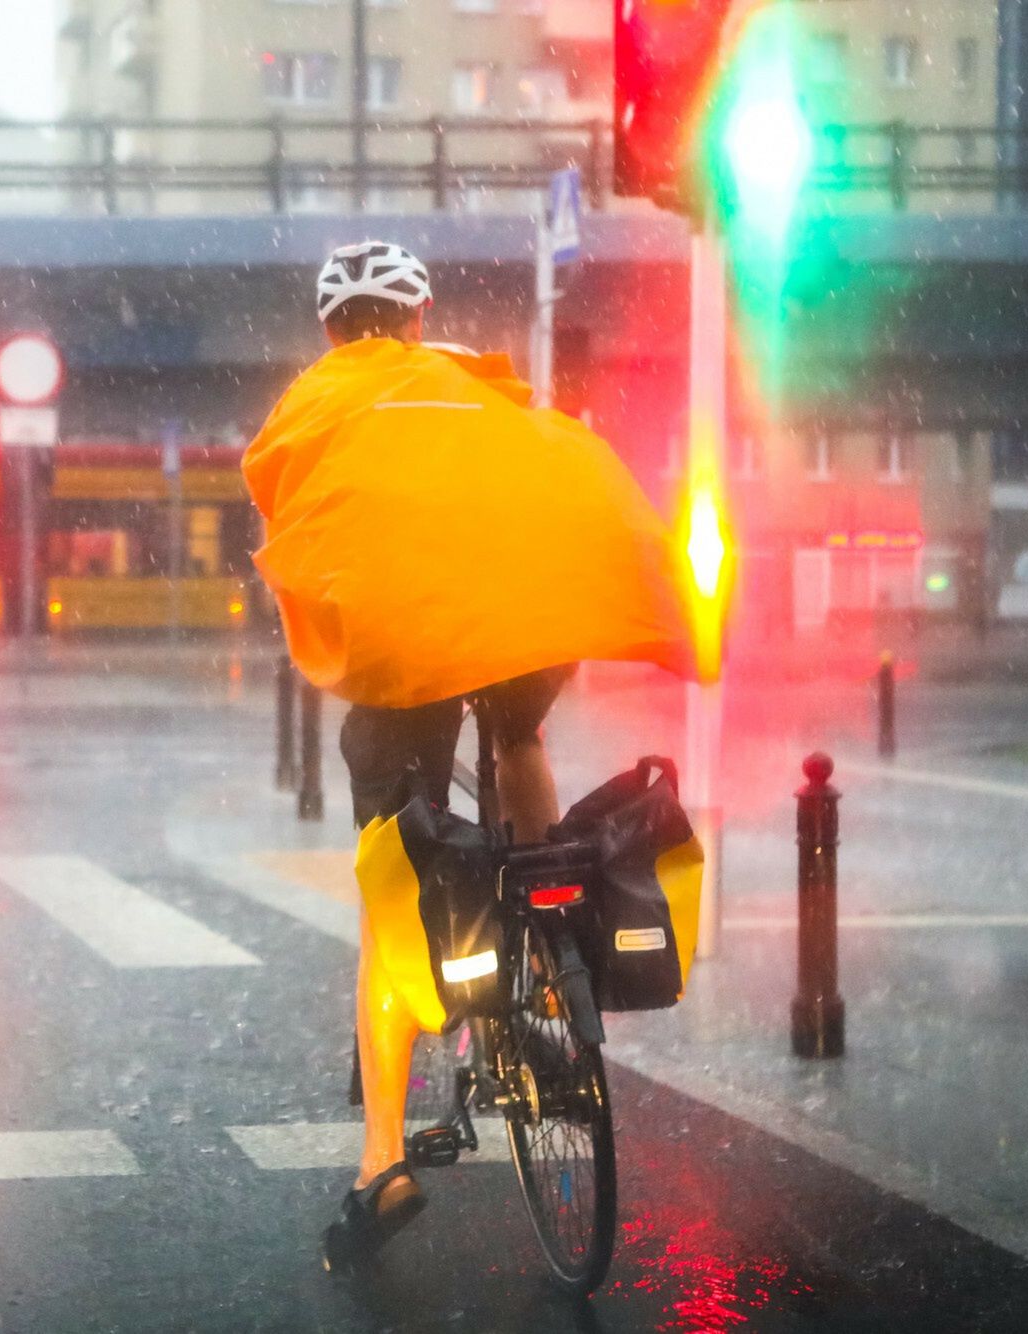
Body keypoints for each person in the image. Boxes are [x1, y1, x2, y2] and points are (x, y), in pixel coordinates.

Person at [241, 240, 691, 1267]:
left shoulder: (318, 400)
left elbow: (285, 507)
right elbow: (549, 463)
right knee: (520, 731)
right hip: (521, 610)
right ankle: (548, 918)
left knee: (389, 886)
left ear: (329, 327)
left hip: (409, 644)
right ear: (417, 313)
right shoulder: (472, 385)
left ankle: (381, 1158)